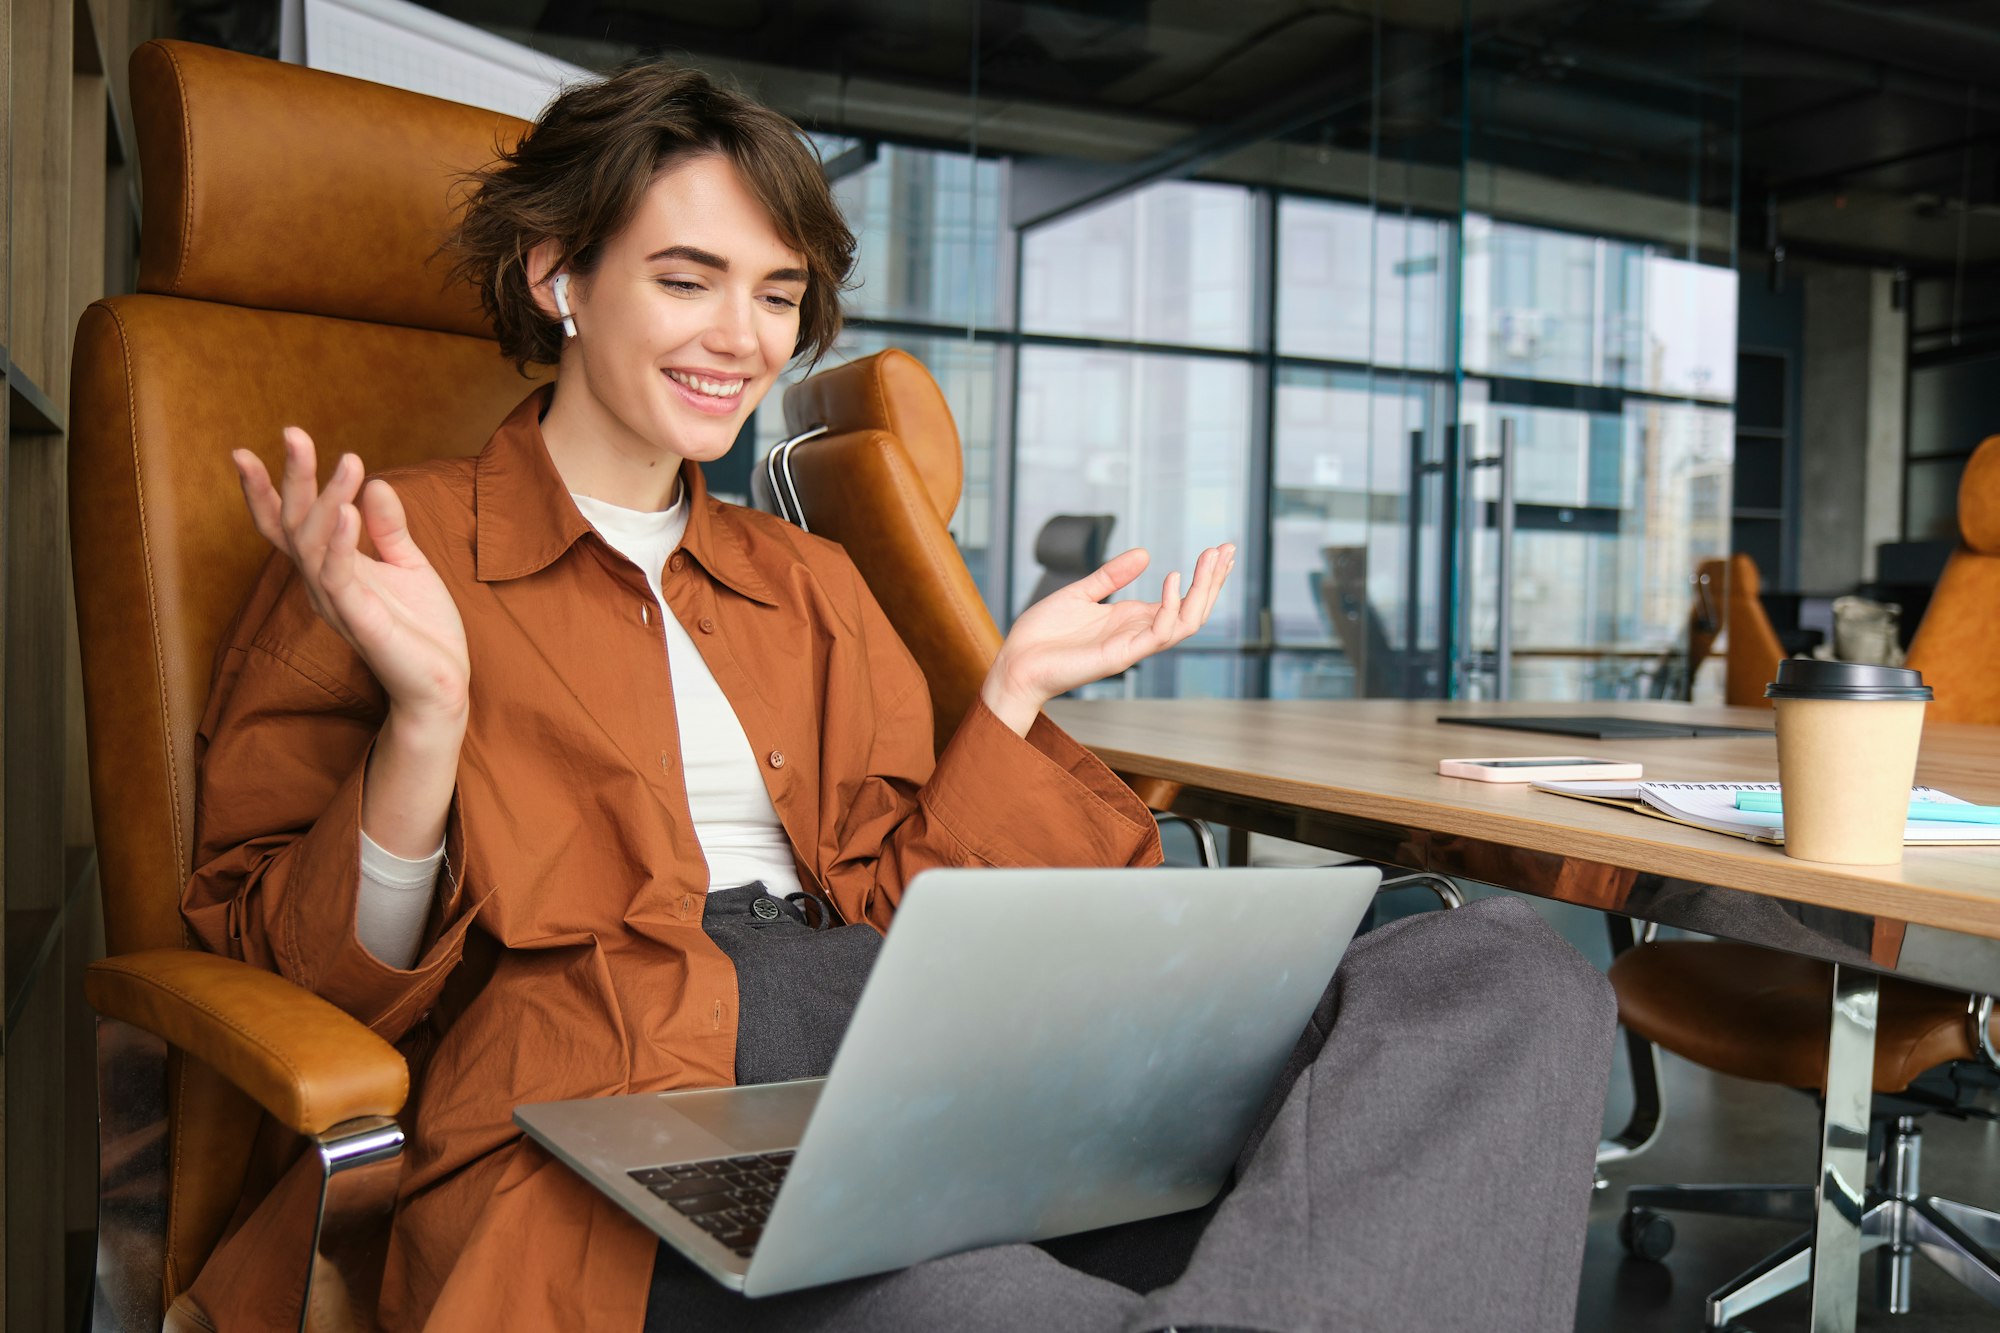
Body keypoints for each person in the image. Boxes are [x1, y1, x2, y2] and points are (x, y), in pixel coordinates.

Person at [181, 61, 1615, 1333]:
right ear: (559, 273)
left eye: (778, 294)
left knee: (1502, 970)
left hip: (899, 1048)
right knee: (1005, 1311)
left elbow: (903, 900)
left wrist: (1010, 696)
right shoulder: (392, 550)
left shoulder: (807, 580)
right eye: (686, 279)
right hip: (622, 1098)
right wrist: (427, 725)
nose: (742, 337)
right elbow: (298, 980)